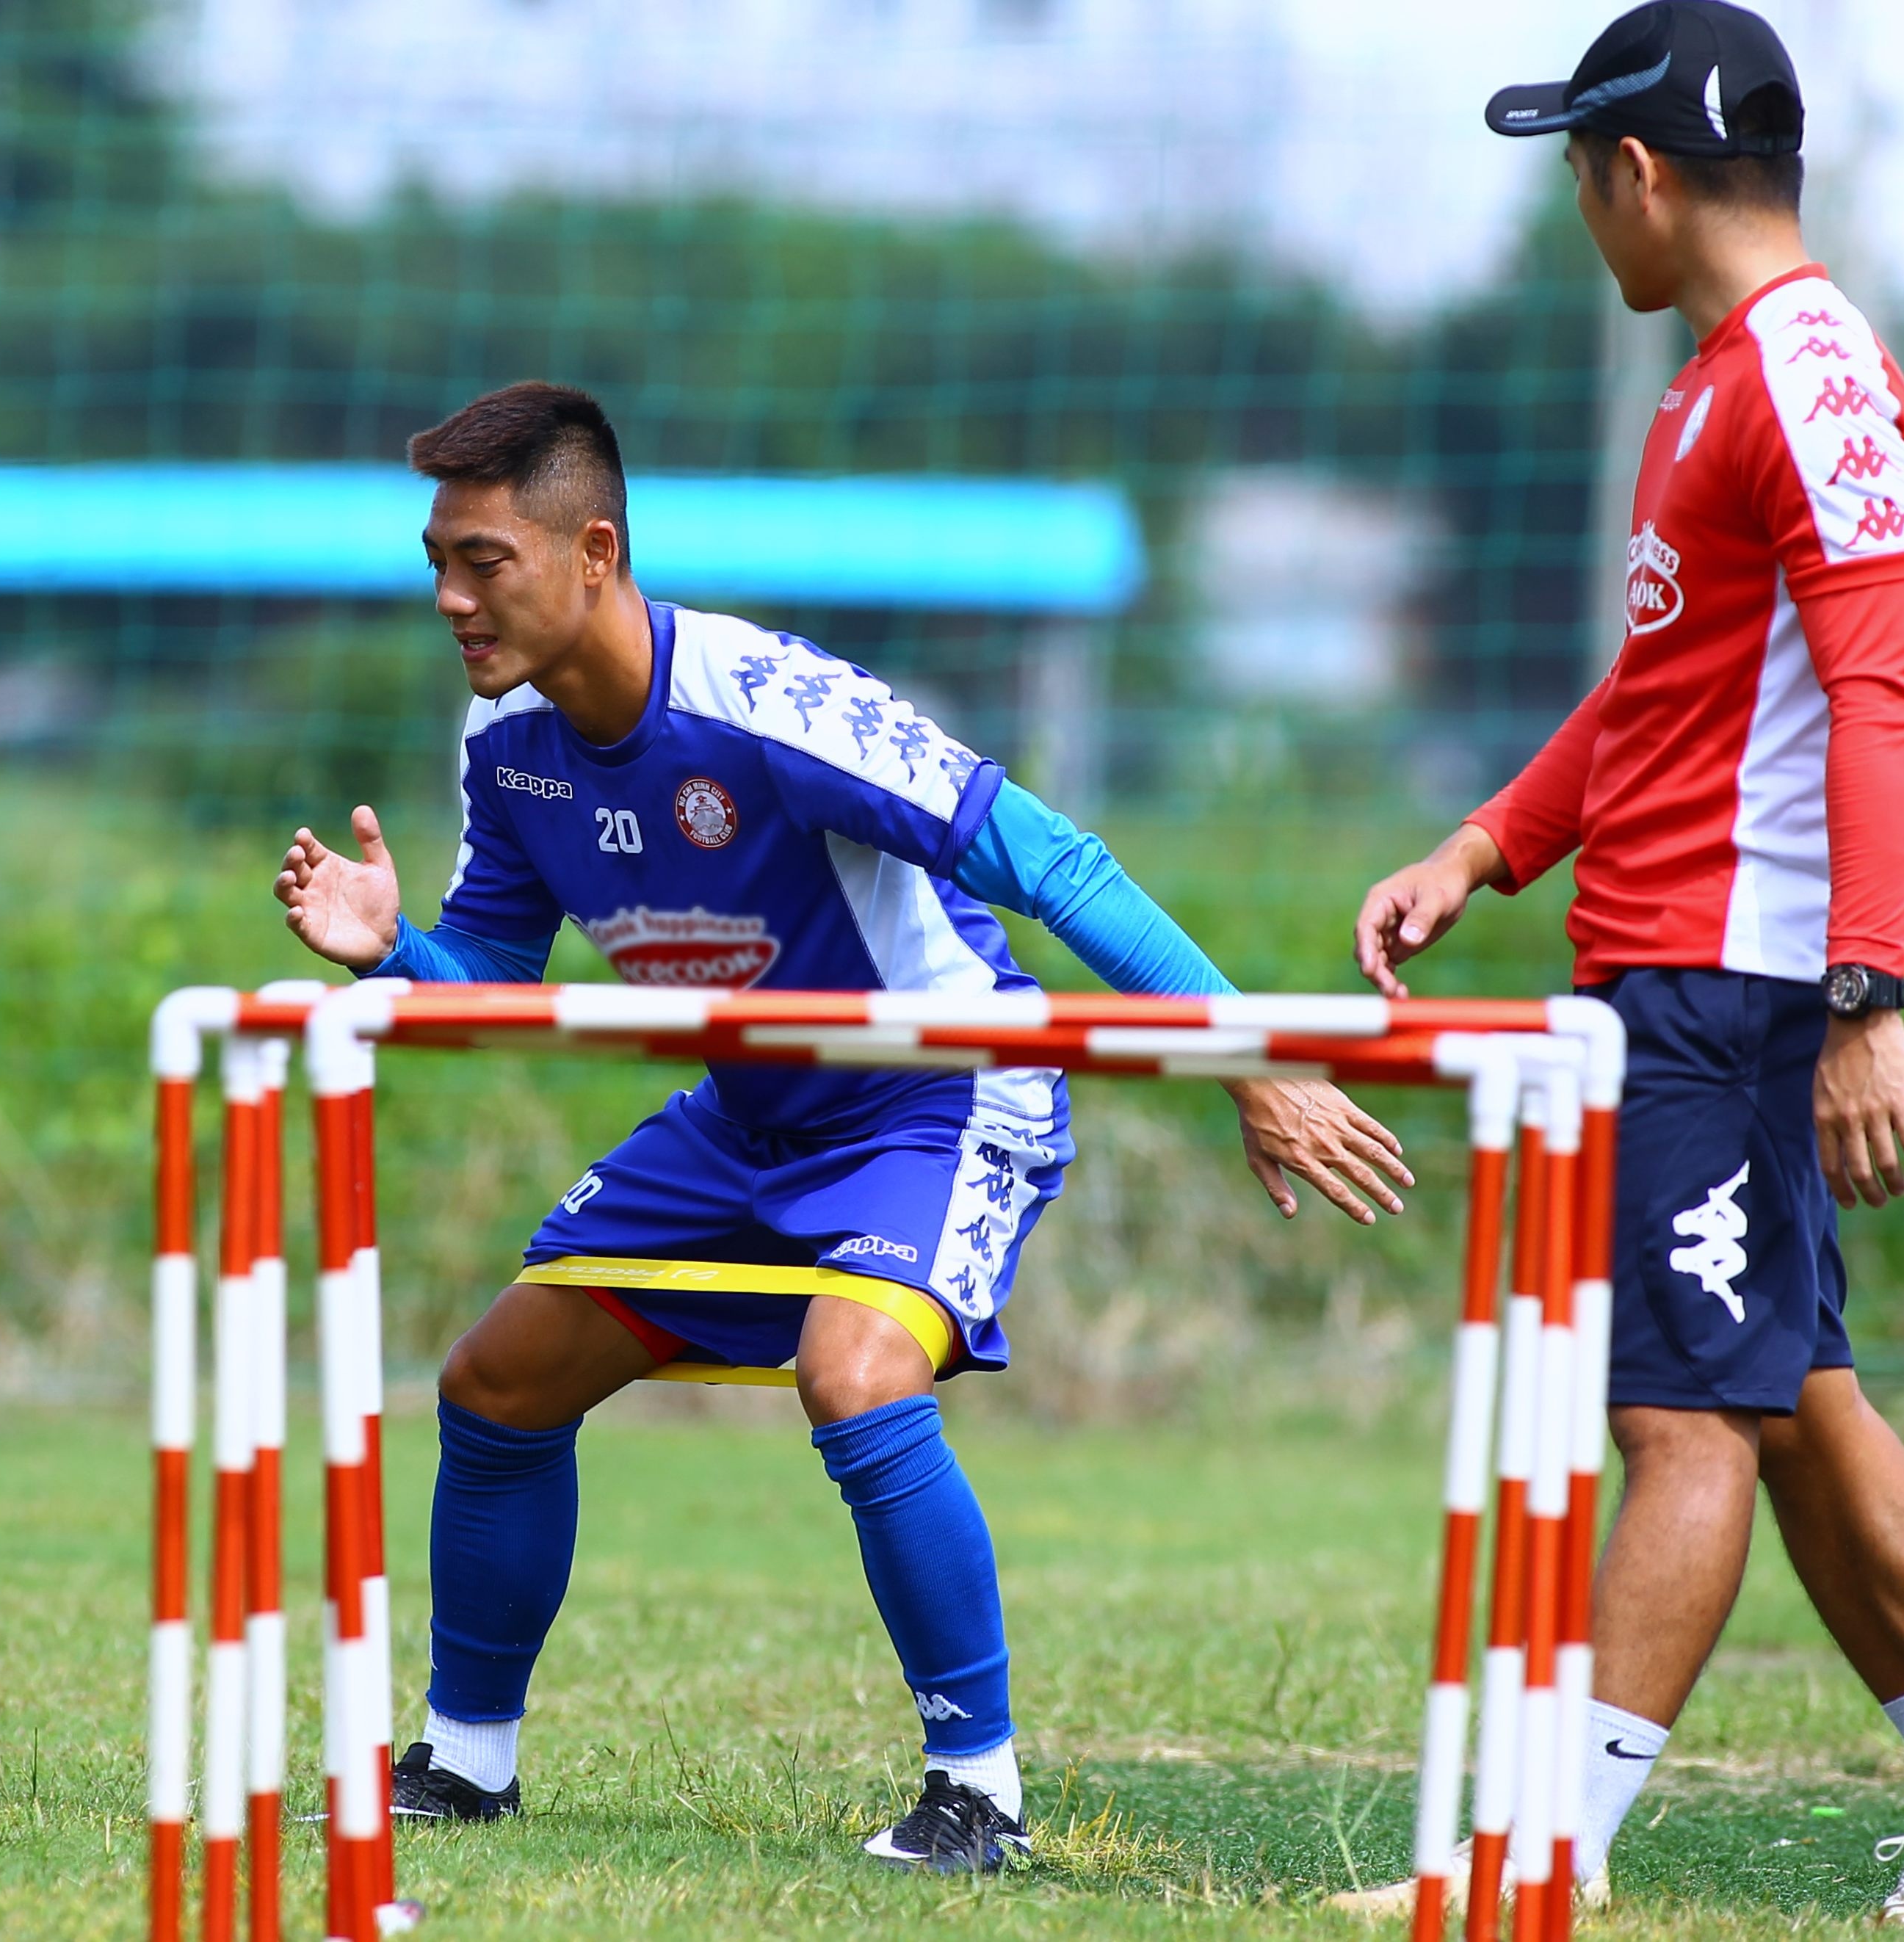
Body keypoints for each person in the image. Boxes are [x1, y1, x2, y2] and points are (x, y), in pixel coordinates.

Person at [274, 380, 1414, 1874]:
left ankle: (979, 1795)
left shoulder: (774, 704)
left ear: (594, 553)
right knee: (495, 1383)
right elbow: (489, 981)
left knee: (852, 1371)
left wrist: (1248, 1056)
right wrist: (389, 952)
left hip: (939, 1094)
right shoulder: (510, 748)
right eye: (437, 561)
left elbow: (1051, 859)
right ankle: (465, 1762)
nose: (448, 598)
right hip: (748, 1113)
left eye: (483, 561)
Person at [1344, 4, 1904, 1925]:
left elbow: (1884, 692)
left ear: (1637, 172)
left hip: (1734, 988)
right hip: (1671, 976)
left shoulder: (1810, 379)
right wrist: (1482, 846)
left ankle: (1539, 1856)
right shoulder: (1712, 386)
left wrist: (1861, 997)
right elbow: (1659, 692)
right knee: (1792, 1402)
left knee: (1681, 1421)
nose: (1577, 216)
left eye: (1574, 177)